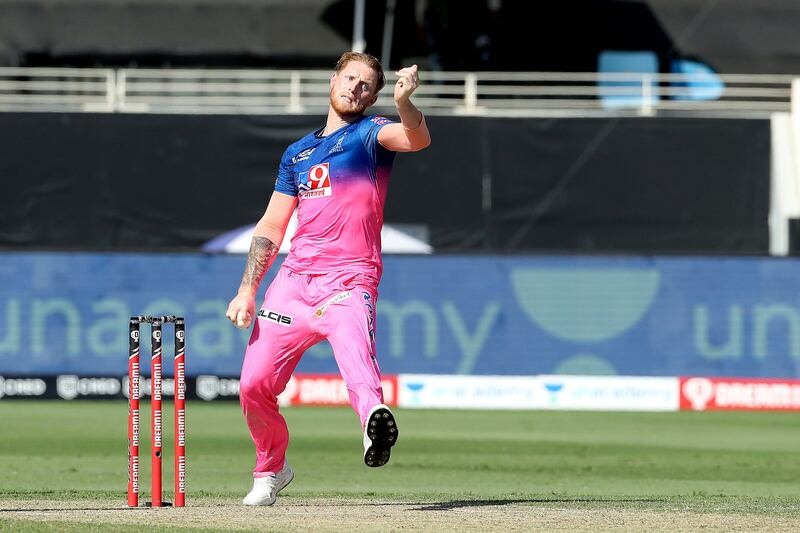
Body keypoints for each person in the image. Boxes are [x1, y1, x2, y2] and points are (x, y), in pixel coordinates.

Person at [225, 51, 431, 506]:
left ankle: (372, 425)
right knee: (253, 385)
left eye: (366, 86)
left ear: (373, 96)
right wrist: (246, 289)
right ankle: (271, 469)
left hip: (350, 280)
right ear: (333, 79)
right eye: (350, 78)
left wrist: (404, 101)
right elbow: (272, 227)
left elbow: (416, 138)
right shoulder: (296, 153)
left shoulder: (373, 134)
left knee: (357, 359)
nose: (356, 88)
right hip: (294, 283)